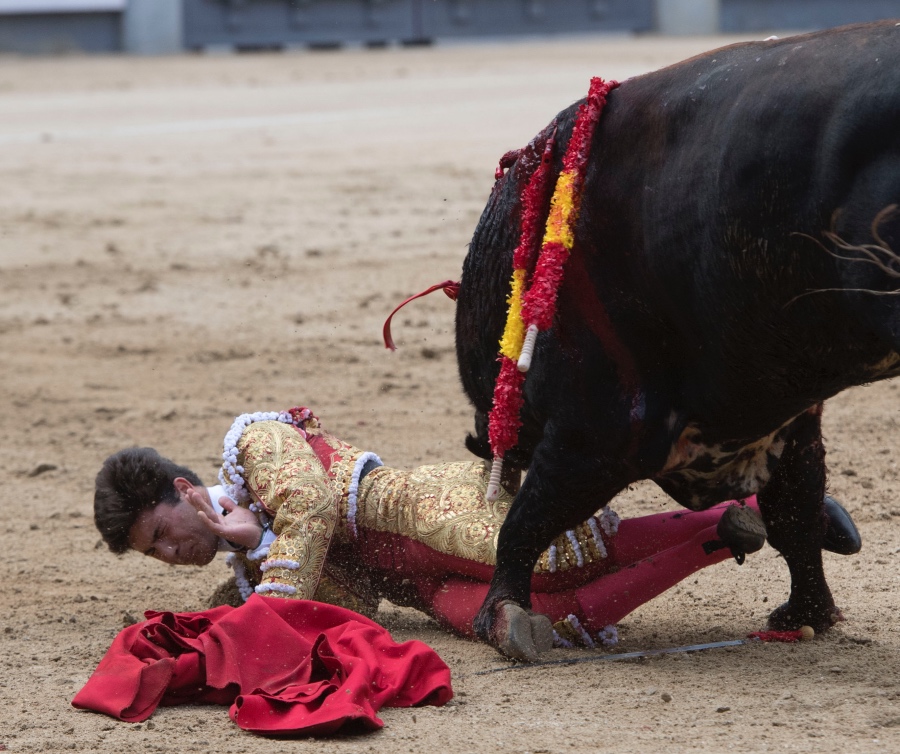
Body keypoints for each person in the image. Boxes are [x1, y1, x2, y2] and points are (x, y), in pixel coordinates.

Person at [94, 407, 861, 661]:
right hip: (427, 588)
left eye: (162, 532)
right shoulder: (254, 576)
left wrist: (261, 555)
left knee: (552, 563)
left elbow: (317, 509)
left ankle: (765, 506)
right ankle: (731, 528)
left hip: (415, 510)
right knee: (555, 626)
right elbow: (354, 612)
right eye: (154, 554)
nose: (170, 554)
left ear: (186, 492)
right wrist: (249, 578)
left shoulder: (254, 443)